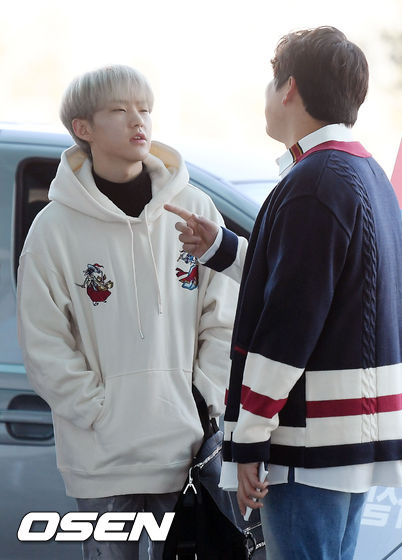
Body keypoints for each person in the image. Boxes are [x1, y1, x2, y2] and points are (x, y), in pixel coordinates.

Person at [166, 26, 402, 560]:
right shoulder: (364, 172)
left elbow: (289, 322)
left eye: (271, 81)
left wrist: (249, 437)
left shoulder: (315, 182)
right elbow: (316, 286)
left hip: (309, 441)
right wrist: (225, 249)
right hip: (347, 436)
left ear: (290, 88)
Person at [17, 65, 238, 560]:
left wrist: (203, 400)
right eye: (119, 110)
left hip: (185, 452)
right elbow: (43, 340)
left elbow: (223, 317)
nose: (139, 121)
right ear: (84, 128)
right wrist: (98, 410)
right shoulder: (53, 229)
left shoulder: (194, 211)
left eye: (145, 109)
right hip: (101, 460)